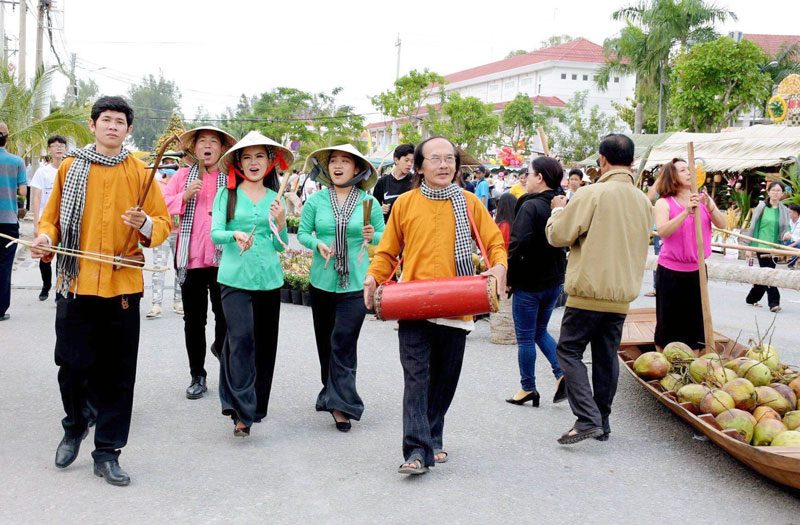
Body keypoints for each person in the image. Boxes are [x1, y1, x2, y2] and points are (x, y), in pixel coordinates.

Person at [30, 96, 172, 485]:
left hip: (122, 285)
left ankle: (108, 452)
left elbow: (162, 225)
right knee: (71, 365)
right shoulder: (70, 168)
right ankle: (75, 424)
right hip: (75, 282)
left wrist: (144, 223)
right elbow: (51, 219)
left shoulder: (142, 174)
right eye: (105, 119)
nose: (112, 126)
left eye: (120, 121)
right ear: (92, 126)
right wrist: (44, 237)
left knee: (118, 374)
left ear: (128, 130)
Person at [364, 136, 507, 475]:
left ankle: (433, 436)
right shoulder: (405, 204)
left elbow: (494, 243)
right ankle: (416, 450)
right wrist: (374, 276)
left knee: (443, 381)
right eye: (435, 159)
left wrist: (499, 265)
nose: (444, 165)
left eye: (449, 159)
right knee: (416, 379)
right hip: (412, 305)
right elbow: (388, 252)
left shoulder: (470, 203)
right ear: (419, 166)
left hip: (458, 305)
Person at [545, 133, 653, 444]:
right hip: (621, 294)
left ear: (602, 160)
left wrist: (557, 211)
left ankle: (587, 418)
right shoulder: (643, 201)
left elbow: (559, 235)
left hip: (588, 291)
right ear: (631, 162)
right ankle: (602, 421)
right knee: (606, 357)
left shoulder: (592, 193)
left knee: (568, 350)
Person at [298, 144, 384, 433]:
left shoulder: (367, 202)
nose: (338, 165)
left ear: (357, 169)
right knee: (325, 343)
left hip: (355, 284)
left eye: (345, 161)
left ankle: (342, 405)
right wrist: (317, 244)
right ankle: (329, 390)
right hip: (321, 281)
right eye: (333, 160)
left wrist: (373, 236)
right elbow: (302, 233)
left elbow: (383, 238)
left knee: (343, 341)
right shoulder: (316, 201)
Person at [211, 131, 292, 437]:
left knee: (265, 345)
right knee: (241, 339)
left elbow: (281, 245)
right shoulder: (226, 195)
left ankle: (255, 406)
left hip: (269, 280)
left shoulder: (276, 199)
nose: (253, 163)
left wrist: (282, 224)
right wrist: (235, 235)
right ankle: (240, 410)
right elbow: (215, 232)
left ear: (271, 162)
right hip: (234, 279)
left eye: (260, 156)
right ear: (238, 163)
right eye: (247, 157)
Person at [163, 126, 237, 399]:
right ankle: (198, 375)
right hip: (191, 259)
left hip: (224, 259)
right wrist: (183, 196)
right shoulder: (182, 176)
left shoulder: (231, 179)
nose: (207, 146)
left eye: (213, 142)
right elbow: (161, 206)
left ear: (221, 148)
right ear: (194, 149)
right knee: (194, 321)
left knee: (226, 316)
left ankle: (221, 349)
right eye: (202, 142)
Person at [506, 157, 567, 407]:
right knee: (540, 330)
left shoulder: (530, 206)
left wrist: (508, 277)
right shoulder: (561, 204)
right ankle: (562, 373)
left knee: (525, 337)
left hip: (529, 283)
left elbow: (517, 243)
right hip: (554, 281)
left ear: (540, 178)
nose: (526, 179)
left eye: (529, 174)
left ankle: (527, 387)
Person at [652, 159, 726, 350]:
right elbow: (663, 231)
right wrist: (686, 212)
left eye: (690, 169)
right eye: (683, 170)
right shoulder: (664, 203)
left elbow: (722, 224)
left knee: (695, 321)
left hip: (697, 270)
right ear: (673, 176)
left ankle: (693, 362)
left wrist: (709, 206)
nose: (689, 172)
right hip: (670, 271)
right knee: (668, 320)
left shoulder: (702, 200)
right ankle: (663, 359)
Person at [742, 181, 790, 312]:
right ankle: (774, 303)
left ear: (782, 194)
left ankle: (752, 297)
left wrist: (786, 234)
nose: (775, 193)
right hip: (761, 246)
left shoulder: (784, 210)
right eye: (773, 190)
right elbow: (753, 227)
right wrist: (749, 248)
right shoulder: (762, 207)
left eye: (778, 190)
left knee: (765, 274)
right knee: (770, 273)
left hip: (775, 247)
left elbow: (787, 228)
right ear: (768, 192)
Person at [30, 135, 66, 301]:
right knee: (45, 257)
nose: (59, 148)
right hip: (46, 221)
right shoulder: (42, 171)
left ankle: (60, 290)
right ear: (49, 149)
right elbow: (36, 197)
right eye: (55, 145)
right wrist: (36, 223)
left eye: (61, 145)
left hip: (64, 220)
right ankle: (46, 285)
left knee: (63, 258)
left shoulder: (69, 169)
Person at [146, 167, 182, 318]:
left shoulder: (182, 182)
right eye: (167, 163)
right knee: (158, 267)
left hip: (180, 232)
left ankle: (179, 301)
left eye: (174, 164)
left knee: (181, 268)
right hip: (163, 233)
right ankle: (156, 304)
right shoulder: (156, 185)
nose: (171, 167)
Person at [0, 121, 26, 321]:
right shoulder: (17, 161)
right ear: (7, 138)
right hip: (8, 221)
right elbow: (22, 191)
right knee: (4, 265)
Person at [373, 143, 414, 223]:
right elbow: (374, 208)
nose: (409, 164)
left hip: (407, 229)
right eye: (406, 160)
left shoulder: (415, 182)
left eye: (412, 161)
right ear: (396, 160)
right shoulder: (382, 182)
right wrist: (380, 209)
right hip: (387, 229)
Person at [784, 203, 800, 268]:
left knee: (798, 246)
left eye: (789, 212)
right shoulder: (788, 221)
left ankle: (791, 262)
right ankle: (791, 262)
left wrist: (790, 246)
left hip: (797, 243)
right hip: (788, 241)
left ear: (796, 213)